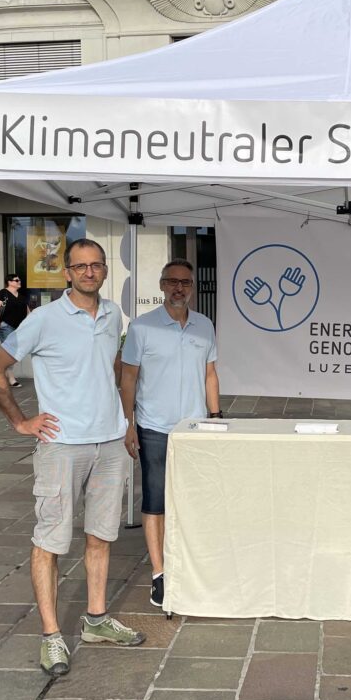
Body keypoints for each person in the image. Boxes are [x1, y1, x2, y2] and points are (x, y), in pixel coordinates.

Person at [0, 238, 145, 676]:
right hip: (62, 445)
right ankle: (52, 636)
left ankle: (95, 620)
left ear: (105, 270)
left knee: (100, 535)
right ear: (67, 273)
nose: (89, 272)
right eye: (81, 266)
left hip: (109, 443)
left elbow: (109, 368)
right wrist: (21, 421)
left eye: (97, 265)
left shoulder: (113, 314)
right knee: (51, 540)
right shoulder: (42, 320)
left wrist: (125, 420)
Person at [120, 259, 220, 608]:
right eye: (172, 282)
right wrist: (128, 424)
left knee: (192, 498)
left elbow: (210, 374)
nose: (179, 288)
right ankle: (160, 573)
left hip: (194, 428)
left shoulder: (204, 326)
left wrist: (216, 416)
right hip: (155, 428)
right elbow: (128, 378)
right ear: (162, 286)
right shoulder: (142, 327)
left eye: (186, 283)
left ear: (192, 287)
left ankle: (188, 564)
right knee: (155, 499)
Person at [0, 274, 28, 388]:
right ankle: (10, 378)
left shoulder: (21, 296)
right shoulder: (3, 293)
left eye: (19, 280)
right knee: (10, 351)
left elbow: (28, 312)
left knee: (12, 351)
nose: (19, 282)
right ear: (9, 282)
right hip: (5, 326)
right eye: (16, 280)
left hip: (18, 328)